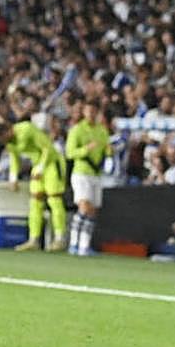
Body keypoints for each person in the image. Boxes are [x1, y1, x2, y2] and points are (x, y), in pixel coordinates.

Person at [0, 117, 68, 251]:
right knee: (35, 202)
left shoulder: (26, 128)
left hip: (51, 164)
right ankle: (33, 239)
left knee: (55, 200)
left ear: (7, 131)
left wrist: (41, 167)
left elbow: (47, 147)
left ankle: (60, 238)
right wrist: (13, 178)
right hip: (37, 166)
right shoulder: (9, 142)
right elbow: (14, 159)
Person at [65, 100, 112, 256]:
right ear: (84, 112)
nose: (91, 114)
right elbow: (70, 153)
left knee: (92, 211)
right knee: (84, 207)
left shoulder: (102, 131)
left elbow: (107, 149)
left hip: (96, 174)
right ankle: (73, 243)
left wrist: (110, 154)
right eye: (88, 110)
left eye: (94, 111)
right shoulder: (77, 130)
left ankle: (84, 246)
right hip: (81, 172)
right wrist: (86, 149)